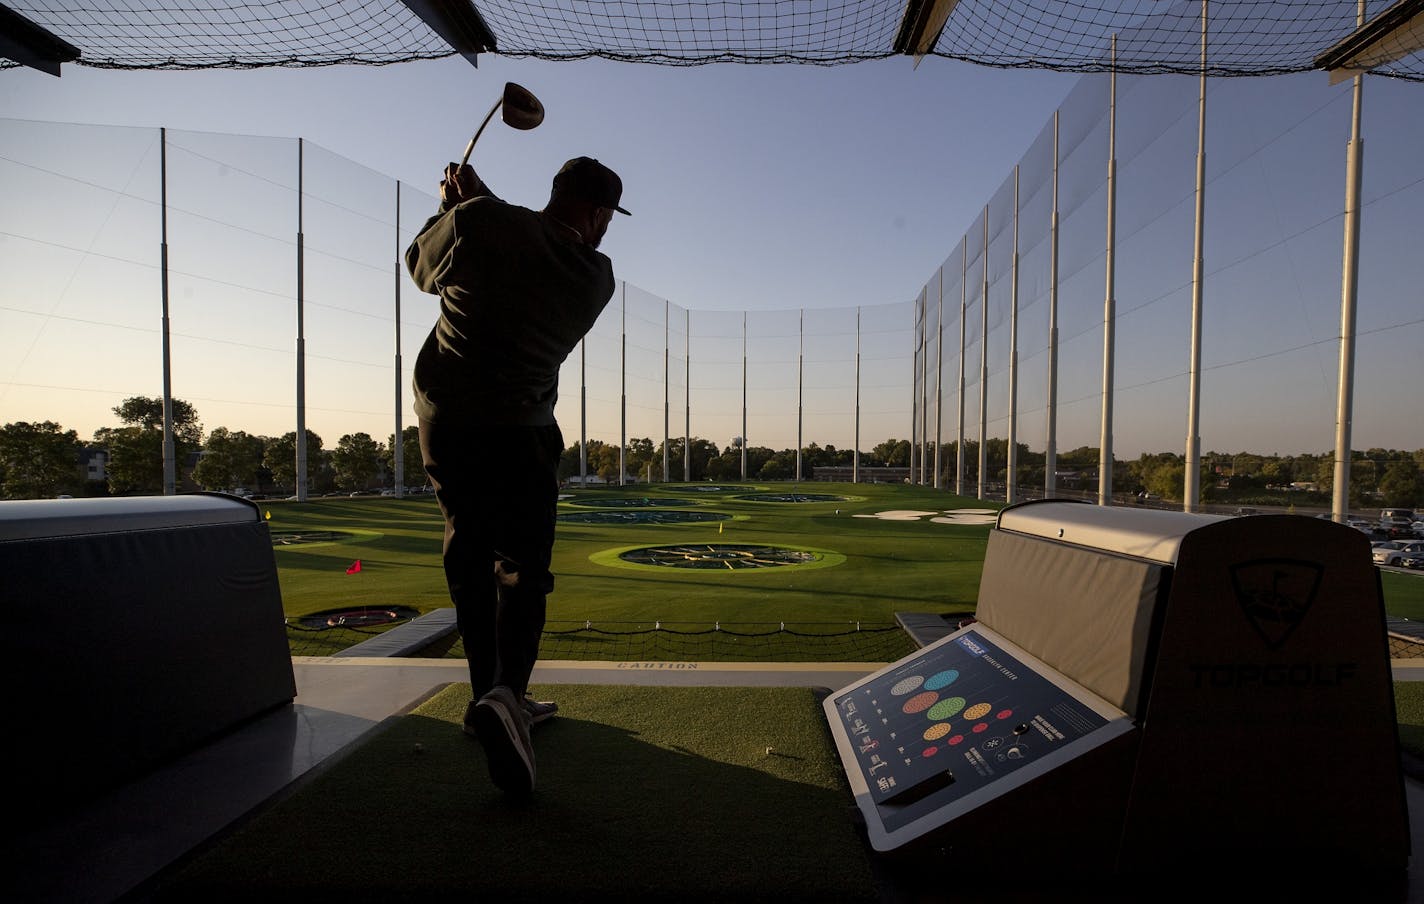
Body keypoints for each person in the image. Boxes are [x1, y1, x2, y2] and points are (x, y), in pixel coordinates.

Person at [406, 156, 629, 795]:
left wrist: (453, 205)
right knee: (523, 568)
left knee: (470, 556)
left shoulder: (478, 225)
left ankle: (488, 699)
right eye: (608, 217)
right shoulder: (595, 275)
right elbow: (533, 242)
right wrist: (476, 205)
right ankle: (509, 695)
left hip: (448, 428)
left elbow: (423, 267)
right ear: (596, 215)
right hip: (523, 435)